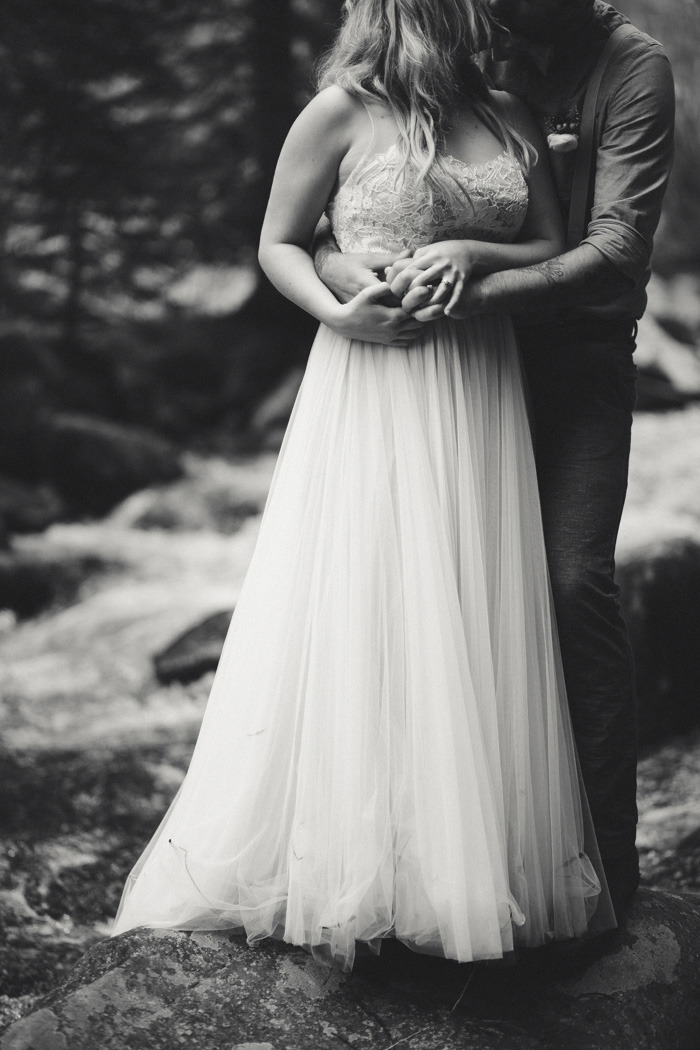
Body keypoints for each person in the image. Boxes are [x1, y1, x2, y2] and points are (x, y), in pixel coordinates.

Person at [111, 0, 616, 971]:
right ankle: (357, 864)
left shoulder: (506, 109)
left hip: (478, 384)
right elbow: (278, 243)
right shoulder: (338, 111)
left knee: (466, 608)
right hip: (374, 380)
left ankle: (462, 867)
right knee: (372, 602)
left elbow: (549, 243)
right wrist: (340, 317)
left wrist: (471, 255)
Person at [315, 0, 675, 922]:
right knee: (441, 594)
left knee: (569, 583)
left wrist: (475, 287)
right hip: (459, 376)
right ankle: (435, 859)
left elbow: (615, 250)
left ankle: (605, 872)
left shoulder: (631, 68)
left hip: (574, 368)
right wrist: (344, 264)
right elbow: (368, 192)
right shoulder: (471, 46)